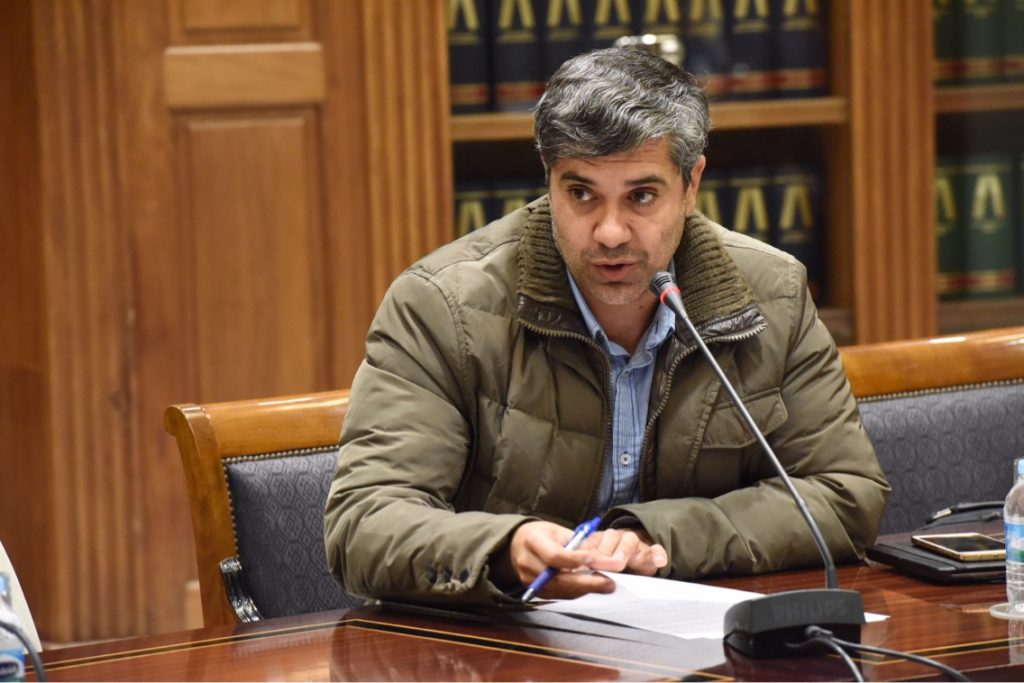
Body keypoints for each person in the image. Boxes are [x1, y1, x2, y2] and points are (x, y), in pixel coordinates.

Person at [324, 47, 890, 605]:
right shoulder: (440, 306)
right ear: (549, 181)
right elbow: (364, 523)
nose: (610, 232)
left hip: (695, 637)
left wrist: (656, 538)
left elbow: (844, 495)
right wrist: (505, 549)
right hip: (503, 640)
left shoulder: (773, 295)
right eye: (581, 195)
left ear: (691, 185)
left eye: (641, 196)